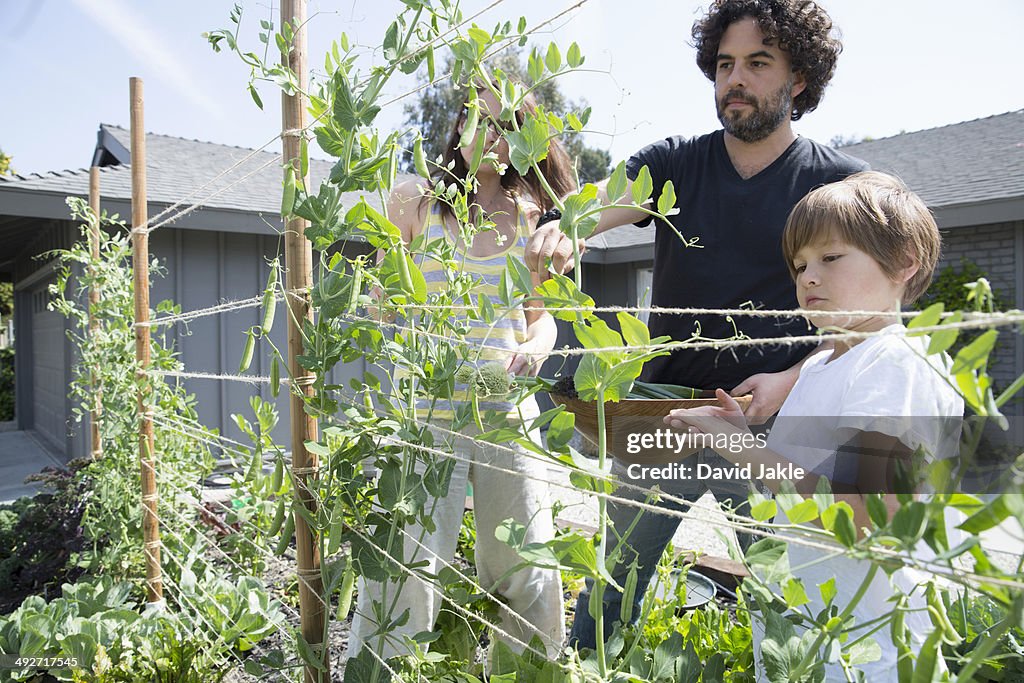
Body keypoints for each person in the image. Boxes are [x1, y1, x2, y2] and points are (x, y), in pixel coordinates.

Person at [523, 0, 870, 649]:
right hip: (664, 415)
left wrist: (795, 376)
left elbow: (885, 305)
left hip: (770, 428)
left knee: (783, 601)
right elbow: (592, 209)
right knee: (612, 588)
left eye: (757, 63)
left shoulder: (839, 185)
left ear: (799, 77)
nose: (734, 78)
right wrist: (561, 230)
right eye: (725, 63)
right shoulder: (676, 164)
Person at [665, 171, 964, 680]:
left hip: (867, 650)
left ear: (903, 263)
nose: (807, 276)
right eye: (800, 264)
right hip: (811, 636)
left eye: (830, 258)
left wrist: (742, 449)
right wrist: (742, 440)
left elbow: (871, 515)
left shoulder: (893, 366)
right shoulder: (824, 366)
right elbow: (795, 494)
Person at [346, 83, 576, 662]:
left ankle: (531, 675)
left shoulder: (534, 220)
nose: (489, 137)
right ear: (458, 128)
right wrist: (381, 291)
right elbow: (383, 303)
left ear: (524, 140)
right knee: (406, 566)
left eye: (504, 127)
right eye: (478, 121)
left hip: (502, 396)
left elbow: (541, 320)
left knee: (527, 563)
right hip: (427, 400)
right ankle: (380, 673)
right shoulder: (415, 203)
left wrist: (539, 348)